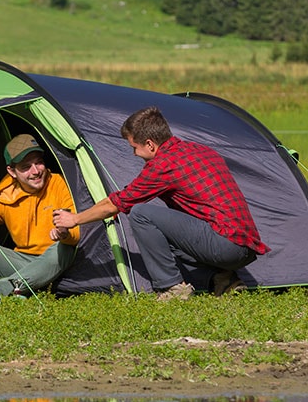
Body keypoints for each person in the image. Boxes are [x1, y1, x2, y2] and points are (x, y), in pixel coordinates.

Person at [53, 107, 268, 301]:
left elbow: (115, 203)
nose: (134, 154)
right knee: (164, 236)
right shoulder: (200, 150)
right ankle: (224, 280)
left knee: (141, 214)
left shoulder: (163, 165)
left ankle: (172, 288)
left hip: (224, 245)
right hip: (245, 247)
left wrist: (75, 219)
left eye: (134, 147)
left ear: (150, 144)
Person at [0, 134, 80, 297]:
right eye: (26, 167)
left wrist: (65, 234)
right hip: (22, 263)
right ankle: (23, 287)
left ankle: (1, 289)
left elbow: (76, 234)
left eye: (38, 162)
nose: (35, 171)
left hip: (56, 261)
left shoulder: (59, 184)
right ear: (12, 171)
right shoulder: (5, 196)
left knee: (64, 248)